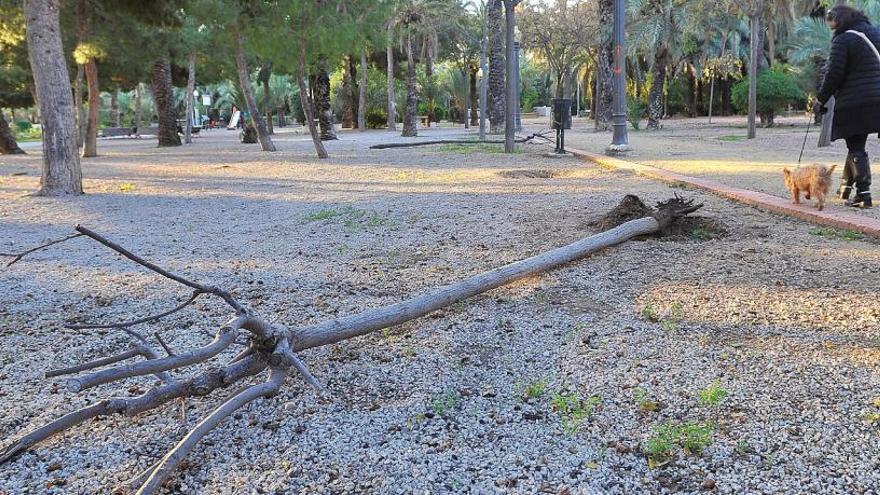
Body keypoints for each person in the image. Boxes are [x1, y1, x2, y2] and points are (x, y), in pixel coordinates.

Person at [815, 5, 879, 208]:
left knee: (856, 146)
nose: (830, 26)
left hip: (856, 101)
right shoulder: (875, 31)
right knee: (855, 146)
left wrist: (820, 99)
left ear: (839, 20)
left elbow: (834, 73)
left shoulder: (843, 39)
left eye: (831, 21)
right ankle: (845, 189)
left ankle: (864, 195)